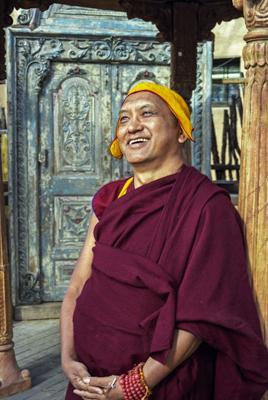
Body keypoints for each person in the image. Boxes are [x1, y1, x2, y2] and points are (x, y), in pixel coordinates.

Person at [61, 81, 268, 400]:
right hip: (89, 379)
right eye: (124, 119)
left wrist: (137, 383)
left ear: (181, 131)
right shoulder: (110, 199)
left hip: (163, 383)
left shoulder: (207, 206)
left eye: (147, 113)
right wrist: (68, 358)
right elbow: (77, 286)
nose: (133, 126)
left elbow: (202, 314)